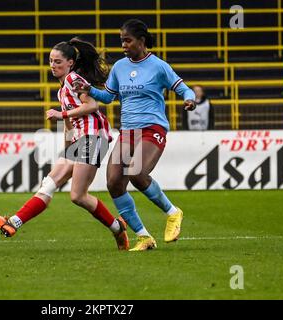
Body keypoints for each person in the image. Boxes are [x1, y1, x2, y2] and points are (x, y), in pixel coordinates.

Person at [0, 38, 129, 250]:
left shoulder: (73, 79)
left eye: (58, 62)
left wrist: (61, 113)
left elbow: (92, 105)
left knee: (78, 196)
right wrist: (66, 145)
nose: (53, 65)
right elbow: (69, 122)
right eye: (51, 61)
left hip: (94, 137)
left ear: (70, 63)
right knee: (49, 184)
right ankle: (13, 223)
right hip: (80, 140)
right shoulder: (61, 89)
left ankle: (118, 228)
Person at [73, 19, 197, 251]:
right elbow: (109, 97)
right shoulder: (120, 67)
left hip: (152, 128)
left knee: (137, 172)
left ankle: (172, 212)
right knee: (113, 182)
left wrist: (189, 99)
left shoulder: (158, 66)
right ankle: (143, 236)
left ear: (141, 41)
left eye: (128, 40)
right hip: (127, 131)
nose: (123, 45)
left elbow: (183, 87)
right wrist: (89, 90)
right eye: (122, 41)